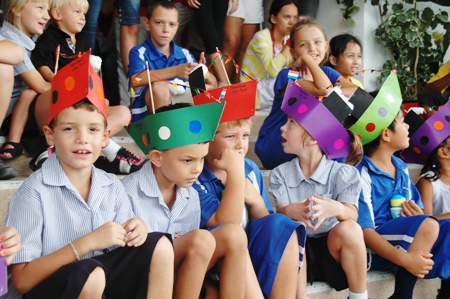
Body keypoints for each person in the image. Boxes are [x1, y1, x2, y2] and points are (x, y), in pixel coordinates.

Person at [4, 54, 174, 299]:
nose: (82, 138)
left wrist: (137, 229)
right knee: (90, 272)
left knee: (158, 244)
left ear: (105, 138)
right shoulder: (34, 192)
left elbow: (120, 245)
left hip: (98, 283)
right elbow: (22, 280)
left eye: (93, 129)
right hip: (48, 291)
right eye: (69, 128)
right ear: (50, 136)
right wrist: (86, 243)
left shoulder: (111, 186)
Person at [123, 102, 262, 298]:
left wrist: (207, 286)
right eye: (188, 160)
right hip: (138, 279)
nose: (197, 169)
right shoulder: (126, 192)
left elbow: (193, 258)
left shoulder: (191, 194)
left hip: (175, 276)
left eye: (201, 159)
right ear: (156, 157)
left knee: (234, 233)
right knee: (200, 239)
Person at [192, 92, 307, 298]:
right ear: (207, 139)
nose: (240, 144)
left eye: (245, 136)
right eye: (230, 137)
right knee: (233, 236)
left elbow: (267, 226)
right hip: (215, 264)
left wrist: (256, 202)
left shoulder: (251, 169)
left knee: (283, 225)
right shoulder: (195, 176)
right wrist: (235, 173)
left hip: (251, 257)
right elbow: (227, 223)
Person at [349, 72, 450, 299]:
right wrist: (406, 258)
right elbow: (365, 231)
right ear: (386, 134)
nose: (408, 127)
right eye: (403, 121)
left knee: (442, 226)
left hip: (408, 239)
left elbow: (421, 216)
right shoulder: (361, 172)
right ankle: (402, 295)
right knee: (429, 225)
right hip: (374, 249)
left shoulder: (401, 168)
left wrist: (420, 216)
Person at [269, 81, 368, 299]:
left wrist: (336, 208)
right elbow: (281, 210)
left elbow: (352, 213)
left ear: (313, 138)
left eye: (292, 123)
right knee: (291, 232)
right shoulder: (280, 174)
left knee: (351, 229)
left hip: (331, 253)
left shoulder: (344, 173)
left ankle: (360, 296)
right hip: (293, 255)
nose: (283, 127)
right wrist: (290, 210)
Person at [25, 0, 146, 174]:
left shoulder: (83, 43)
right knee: (60, 94)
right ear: (57, 15)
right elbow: (42, 65)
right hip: (53, 102)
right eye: (77, 12)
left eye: (84, 14)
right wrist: (60, 80)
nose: (83, 18)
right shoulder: (49, 38)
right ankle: (111, 150)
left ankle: (82, 147)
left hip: (80, 107)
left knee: (123, 112)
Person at [255, 17, 357, 169]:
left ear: (326, 46)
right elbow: (324, 89)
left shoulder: (327, 72)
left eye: (317, 42)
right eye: (303, 45)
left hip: (306, 143)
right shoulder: (288, 75)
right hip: (276, 142)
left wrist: (331, 91)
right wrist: (307, 60)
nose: (312, 48)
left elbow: (354, 90)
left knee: (340, 134)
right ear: (293, 52)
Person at [128, 0, 217, 122]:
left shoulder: (184, 54)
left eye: (172, 24)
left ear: (177, 27)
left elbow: (213, 83)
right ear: (147, 23)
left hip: (178, 110)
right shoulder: (139, 52)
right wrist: (175, 71)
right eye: (159, 23)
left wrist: (203, 72)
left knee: (211, 90)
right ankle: (165, 133)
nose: (166, 30)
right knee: (160, 88)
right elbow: (135, 80)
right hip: (147, 116)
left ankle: (198, 132)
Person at [0, 0, 52, 178]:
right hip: (11, 116)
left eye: (48, 10)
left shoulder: (34, 40)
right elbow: (41, 86)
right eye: (40, 8)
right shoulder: (10, 39)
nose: (47, 15)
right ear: (17, 10)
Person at [240, 0, 298, 111]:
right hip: (252, 93)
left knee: (298, 77)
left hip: (268, 91)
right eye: (287, 17)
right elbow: (272, 70)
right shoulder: (261, 37)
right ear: (273, 19)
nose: (292, 22)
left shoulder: (286, 39)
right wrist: (289, 44)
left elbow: (290, 68)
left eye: (295, 18)